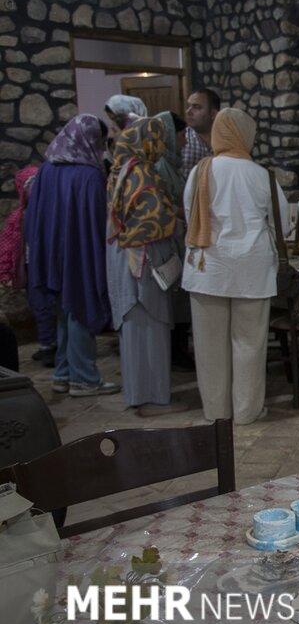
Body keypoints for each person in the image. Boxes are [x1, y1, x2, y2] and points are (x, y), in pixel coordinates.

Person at [182, 107, 287, 426]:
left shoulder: (201, 171)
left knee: (209, 346)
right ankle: (246, 411)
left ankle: (217, 412)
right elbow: (283, 222)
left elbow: (190, 215)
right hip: (252, 270)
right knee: (250, 345)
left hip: (207, 268)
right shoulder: (261, 175)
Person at [24, 114, 120, 397]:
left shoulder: (46, 170)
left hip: (51, 253)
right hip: (79, 253)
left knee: (64, 312)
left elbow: (35, 217)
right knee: (81, 308)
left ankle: (63, 373)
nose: (102, 148)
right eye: (100, 142)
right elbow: (96, 222)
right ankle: (84, 378)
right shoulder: (89, 175)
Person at [106, 117, 184, 416]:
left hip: (124, 257)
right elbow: (155, 220)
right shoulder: (142, 173)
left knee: (135, 331)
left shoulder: (121, 168)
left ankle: (139, 393)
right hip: (143, 259)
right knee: (149, 328)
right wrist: (181, 223)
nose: (162, 145)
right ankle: (152, 400)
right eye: (158, 139)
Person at [154, 110, 197, 371]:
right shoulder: (160, 166)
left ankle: (180, 349)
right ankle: (176, 353)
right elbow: (167, 205)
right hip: (172, 237)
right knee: (175, 299)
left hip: (181, 235)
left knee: (180, 299)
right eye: (181, 134)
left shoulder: (171, 163)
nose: (185, 140)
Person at [0, 166, 53, 366]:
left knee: (52, 306)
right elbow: (8, 244)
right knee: (40, 307)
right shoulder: (19, 217)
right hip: (31, 269)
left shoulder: (51, 212)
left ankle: (53, 344)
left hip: (49, 267)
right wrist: (5, 269)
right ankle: (47, 344)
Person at [182, 88, 220, 182]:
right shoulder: (182, 140)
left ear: (213, 113)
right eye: (188, 106)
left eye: (196, 107)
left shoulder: (226, 140)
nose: (188, 112)